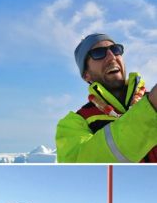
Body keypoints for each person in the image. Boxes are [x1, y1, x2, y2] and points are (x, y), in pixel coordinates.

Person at [56, 33, 157, 163]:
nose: (111, 57)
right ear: (86, 75)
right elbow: (81, 165)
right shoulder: (74, 123)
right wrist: (151, 109)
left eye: (116, 50)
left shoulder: (149, 99)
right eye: (98, 53)